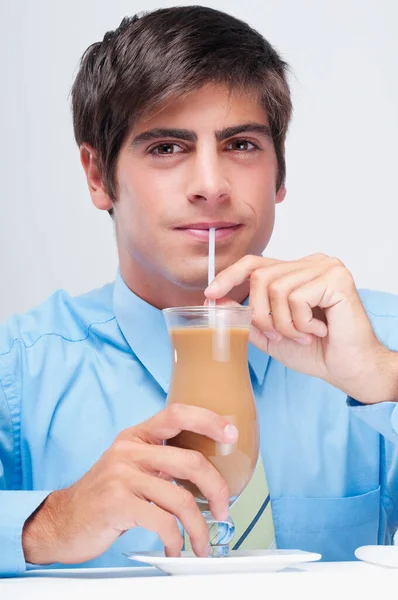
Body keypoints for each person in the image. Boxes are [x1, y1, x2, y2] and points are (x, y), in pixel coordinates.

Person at [1, 5, 398, 577]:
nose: (211, 185)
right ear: (97, 175)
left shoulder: (378, 339)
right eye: (166, 148)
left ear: (280, 174)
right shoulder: (19, 373)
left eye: (241, 145)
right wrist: (50, 522)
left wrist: (385, 380)